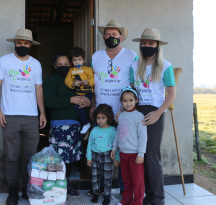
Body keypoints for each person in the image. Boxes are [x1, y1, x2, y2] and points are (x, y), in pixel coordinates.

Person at [0, 29, 47, 205]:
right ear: (15, 43)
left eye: (26, 43)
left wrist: (42, 112)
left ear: (30, 44)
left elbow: (38, 89)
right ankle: (13, 191)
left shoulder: (36, 64)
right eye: (19, 43)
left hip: (31, 117)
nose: (22, 46)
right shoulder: (5, 61)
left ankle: (27, 189)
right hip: (10, 117)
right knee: (12, 157)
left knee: (30, 157)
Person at [88, 19, 138, 196]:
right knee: (100, 153)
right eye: (107, 34)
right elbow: (93, 84)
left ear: (121, 37)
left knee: (124, 154)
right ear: (103, 37)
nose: (111, 37)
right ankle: (100, 187)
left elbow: (134, 84)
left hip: (123, 114)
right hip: (102, 114)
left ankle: (125, 189)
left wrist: (128, 109)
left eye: (114, 34)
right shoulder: (96, 56)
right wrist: (93, 106)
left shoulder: (131, 55)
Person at [130, 28, 176, 205]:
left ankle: (158, 198)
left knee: (151, 155)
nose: (147, 46)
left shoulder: (166, 66)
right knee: (139, 155)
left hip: (155, 113)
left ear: (157, 45)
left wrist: (158, 113)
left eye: (151, 43)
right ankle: (146, 194)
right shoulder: (135, 65)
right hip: (138, 112)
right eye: (144, 43)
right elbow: (132, 91)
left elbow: (171, 94)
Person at [43, 53, 91, 196]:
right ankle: (56, 186)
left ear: (70, 64)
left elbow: (85, 96)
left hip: (75, 124)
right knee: (58, 158)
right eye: (60, 64)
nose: (63, 66)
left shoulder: (76, 77)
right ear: (55, 66)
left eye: (66, 64)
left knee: (70, 159)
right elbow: (50, 102)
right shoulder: (51, 80)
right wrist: (71, 100)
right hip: (59, 125)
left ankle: (67, 185)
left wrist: (86, 103)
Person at [111, 86, 147, 205]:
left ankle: (137, 202)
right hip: (123, 153)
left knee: (137, 181)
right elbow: (118, 134)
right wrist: (114, 148)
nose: (128, 103)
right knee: (127, 180)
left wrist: (141, 154)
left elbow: (143, 137)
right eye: (125, 101)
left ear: (136, 100)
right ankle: (126, 200)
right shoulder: (121, 116)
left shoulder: (139, 116)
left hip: (135, 154)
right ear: (121, 102)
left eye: (131, 100)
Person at [86, 104, 119, 205]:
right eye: (98, 118)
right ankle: (96, 194)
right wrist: (89, 157)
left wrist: (117, 158)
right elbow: (89, 144)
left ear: (108, 118)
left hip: (108, 156)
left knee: (107, 177)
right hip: (95, 156)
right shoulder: (94, 130)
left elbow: (117, 145)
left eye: (103, 118)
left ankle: (107, 196)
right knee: (95, 176)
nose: (100, 120)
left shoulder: (113, 130)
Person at [65, 46, 94, 134]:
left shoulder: (88, 69)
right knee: (78, 107)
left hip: (88, 93)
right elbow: (67, 81)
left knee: (81, 107)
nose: (77, 62)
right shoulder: (71, 70)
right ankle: (85, 124)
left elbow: (94, 80)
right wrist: (73, 84)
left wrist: (88, 82)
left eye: (79, 60)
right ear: (71, 61)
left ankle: (86, 124)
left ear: (84, 60)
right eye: (74, 60)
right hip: (78, 94)